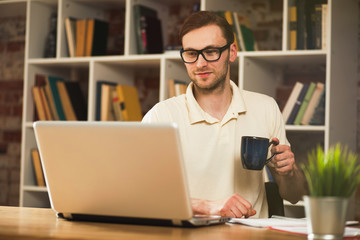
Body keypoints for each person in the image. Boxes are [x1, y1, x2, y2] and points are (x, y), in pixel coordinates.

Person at [142, 11, 307, 218]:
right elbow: (143, 195)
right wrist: (207, 206)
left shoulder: (266, 108)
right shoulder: (160, 116)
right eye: (191, 54)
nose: (200, 64)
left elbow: (293, 195)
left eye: (210, 51)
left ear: (232, 52)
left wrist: (289, 172)